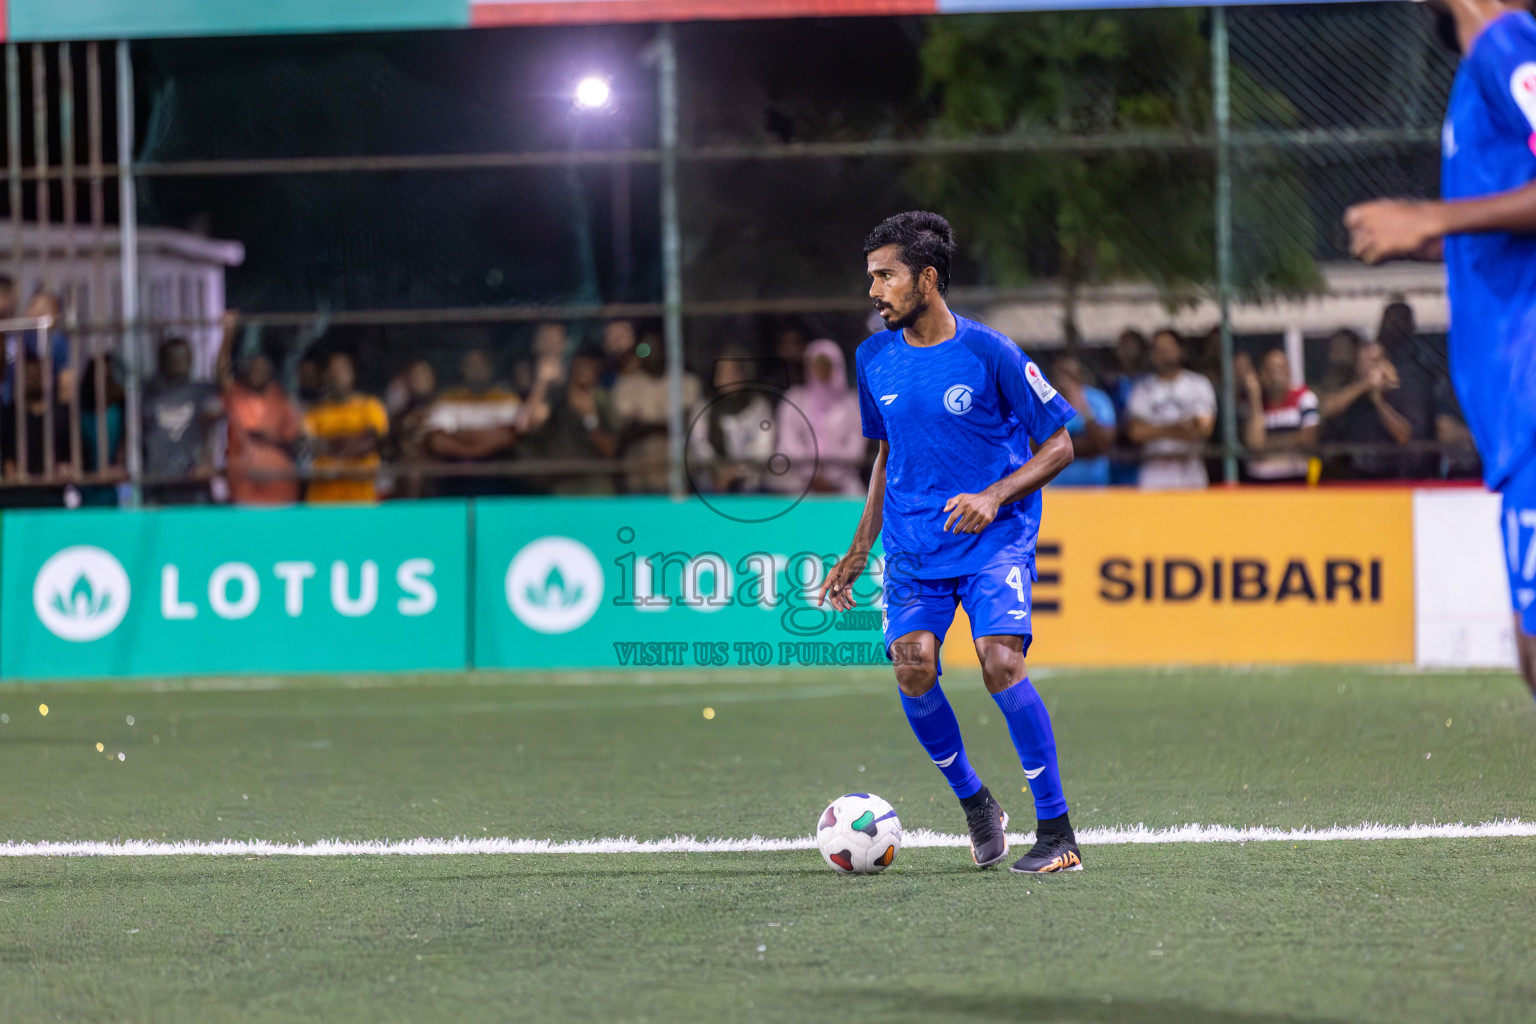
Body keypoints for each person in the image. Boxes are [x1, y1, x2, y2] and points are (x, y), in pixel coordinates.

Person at [818, 211, 1081, 875]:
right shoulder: (873, 357)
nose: (874, 291)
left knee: (999, 661)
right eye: (870, 277)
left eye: (886, 277)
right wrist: (858, 549)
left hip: (995, 537)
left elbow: (1060, 444)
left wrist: (995, 495)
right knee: (912, 665)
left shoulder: (990, 352)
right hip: (912, 548)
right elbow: (885, 455)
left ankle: (1057, 833)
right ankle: (976, 803)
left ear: (927, 280)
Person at [1345, 0, 1536, 694]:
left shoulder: (1507, 43)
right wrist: (1442, 238)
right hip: (1512, 409)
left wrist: (1437, 215)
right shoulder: (1475, 70)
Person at [426, 348, 546, 496]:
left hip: (500, 477)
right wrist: (471, 452)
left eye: (480, 365)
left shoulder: (507, 399)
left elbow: (508, 437)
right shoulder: (449, 399)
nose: (476, 370)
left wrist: (464, 435)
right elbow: (438, 440)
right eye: (471, 365)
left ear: (490, 369)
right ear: (463, 368)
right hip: (455, 477)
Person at [218, 314, 301, 505]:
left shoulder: (280, 398)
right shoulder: (236, 393)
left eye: (261, 368)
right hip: (243, 485)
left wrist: (267, 439)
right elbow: (221, 375)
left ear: (270, 372)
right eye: (251, 368)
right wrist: (227, 336)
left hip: (280, 484)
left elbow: (294, 442)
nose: (255, 372)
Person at [770, 338, 867, 496]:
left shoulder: (851, 404)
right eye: (817, 365)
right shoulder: (794, 400)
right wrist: (812, 475)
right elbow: (788, 443)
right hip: (800, 483)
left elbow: (856, 449)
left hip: (843, 484)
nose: (822, 371)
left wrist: (830, 476)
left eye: (826, 365)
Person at [611, 327, 702, 493]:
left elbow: (685, 425)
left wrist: (650, 426)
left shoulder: (687, 381)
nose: (651, 353)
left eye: (656, 347)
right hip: (640, 449)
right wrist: (662, 426)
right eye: (645, 348)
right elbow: (628, 430)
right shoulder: (627, 383)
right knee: (649, 450)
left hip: (676, 446)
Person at [519, 346, 619, 494]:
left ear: (598, 371)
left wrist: (589, 417)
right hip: (559, 484)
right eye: (579, 366)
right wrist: (542, 382)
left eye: (589, 367)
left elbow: (610, 450)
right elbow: (525, 425)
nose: (582, 372)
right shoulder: (556, 395)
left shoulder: (602, 401)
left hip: (595, 485)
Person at [1124, 329, 1217, 489]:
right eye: (1158, 350)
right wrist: (1177, 428)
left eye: (1168, 348)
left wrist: (1155, 430)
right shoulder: (1143, 389)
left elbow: (1203, 428)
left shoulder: (1198, 384)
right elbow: (1136, 432)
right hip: (1155, 469)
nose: (1164, 354)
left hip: (1190, 467)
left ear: (1181, 350)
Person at [1318, 339, 1420, 480]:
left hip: (1388, 477)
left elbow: (1404, 437)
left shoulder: (1397, 391)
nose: (1369, 367)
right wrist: (1366, 384)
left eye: (1374, 361)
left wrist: (1378, 401)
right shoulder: (1349, 388)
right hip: (1350, 475)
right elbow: (1328, 408)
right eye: (1364, 361)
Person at [142, 337, 222, 505]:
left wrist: (207, 460)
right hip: (158, 483)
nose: (179, 362)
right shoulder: (149, 394)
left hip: (193, 481)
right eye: (174, 357)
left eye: (184, 357)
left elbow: (212, 427)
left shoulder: (201, 391)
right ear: (163, 360)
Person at [688, 349, 777, 494]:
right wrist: (720, 470)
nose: (727, 378)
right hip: (712, 483)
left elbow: (763, 447)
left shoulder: (758, 406)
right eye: (721, 373)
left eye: (732, 372)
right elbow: (699, 445)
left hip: (749, 485)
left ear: (743, 375)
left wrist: (736, 472)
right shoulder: (703, 408)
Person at [302, 352, 388, 503]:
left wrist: (330, 449)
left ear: (352, 374)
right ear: (325, 376)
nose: (337, 376)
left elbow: (369, 443)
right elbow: (308, 448)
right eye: (332, 370)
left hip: (361, 500)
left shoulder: (370, 406)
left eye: (342, 370)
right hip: (322, 502)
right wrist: (351, 444)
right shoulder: (314, 413)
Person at [1240, 348, 1319, 483]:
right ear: (1261, 374)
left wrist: (1267, 444)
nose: (1276, 375)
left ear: (1289, 371)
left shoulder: (1304, 397)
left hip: (1295, 478)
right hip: (1260, 480)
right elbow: (1255, 445)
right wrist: (1255, 398)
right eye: (1270, 370)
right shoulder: (1251, 404)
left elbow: (1308, 438)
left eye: (1281, 368)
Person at [1048, 353, 1117, 486]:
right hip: (1058, 486)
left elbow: (1103, 444)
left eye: (1069, 374)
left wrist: (1082, 407)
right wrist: (1082, 446)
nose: (1064, 380)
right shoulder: (1049, 404)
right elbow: (1039, 446)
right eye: (1059, 374)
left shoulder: (1098, 400)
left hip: (1094, 484)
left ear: (1080, 374)